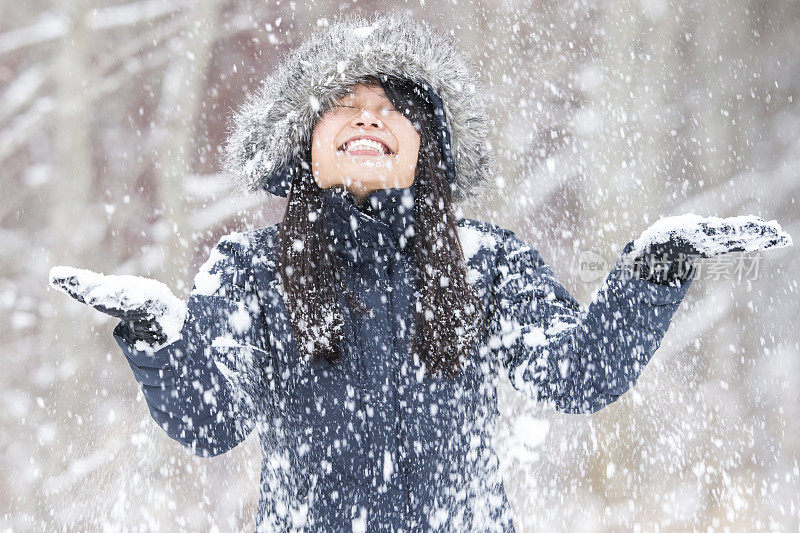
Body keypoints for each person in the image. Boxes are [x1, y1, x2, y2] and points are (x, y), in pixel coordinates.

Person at [48, 11, 791, 532]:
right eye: (344, 103)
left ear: (424, 147)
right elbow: (213, 422)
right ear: (305, 144)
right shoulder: (249, 270)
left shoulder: (485, 262)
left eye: (394, 107)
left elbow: (578, 373)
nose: (369, 117)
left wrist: (652, 270)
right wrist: (155, 335)